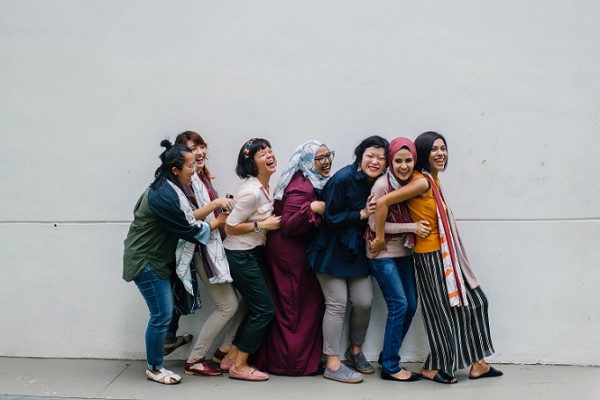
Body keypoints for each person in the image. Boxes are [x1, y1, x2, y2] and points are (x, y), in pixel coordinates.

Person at [369, 131, 503, 384]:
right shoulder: (422, 182)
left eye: (443, 148)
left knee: (473, 303)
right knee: (441, 311)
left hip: (443, 254)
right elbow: (384, 202)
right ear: (423, 154)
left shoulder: (431, 180)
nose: (440, 153)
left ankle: (478, 363)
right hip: (430, 255)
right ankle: (435, 366)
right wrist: (377, 238)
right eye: (434, 149)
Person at [123, 140, 227, 385]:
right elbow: (189, 229)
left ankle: (160, 358)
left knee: (163, 313)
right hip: (146, 261)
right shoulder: (164, 195)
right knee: (161, 314)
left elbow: (187, 217)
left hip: (156, 259)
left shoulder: (170, 188)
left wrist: (213, 209)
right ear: (175, 170)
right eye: (190, 166)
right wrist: (218, 220)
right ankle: (155, 368)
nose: (195, 170)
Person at [306, 135, 389, 384]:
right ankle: (332, 363)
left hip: (356, 251)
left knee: (364, 301)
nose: (374, 161)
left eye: (380, 158)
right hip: (330, 249)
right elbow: (330, 216)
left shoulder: (382, 182)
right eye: (370, 156)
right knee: (337, 303)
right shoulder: (343, 178)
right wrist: (361, 213)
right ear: (360, 156)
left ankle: (355, 351)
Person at [166, 130, 245, 377]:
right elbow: (188, 220)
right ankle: (196, 359)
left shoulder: (201, 177)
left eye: (201, 146)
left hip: (214, 247)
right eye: (192, 149)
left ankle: (223, 350)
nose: (199, 152)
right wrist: (217, 208)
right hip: (201, 250)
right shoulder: (184, 181)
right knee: (228, 305)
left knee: (245, 301)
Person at [254, 140, 333, 375]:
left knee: (296, 306)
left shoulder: (310, 178)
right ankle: (292, 365)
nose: (327, 161)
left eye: (328, 155)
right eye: (320, 158)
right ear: (308, 161)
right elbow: (288, 224)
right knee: (295, 309)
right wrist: (315, 208)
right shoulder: (302, 186)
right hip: (289, 253)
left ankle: (292, 360)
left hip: (292, 251)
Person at [365, 137, 430, 382]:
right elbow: (373, 224)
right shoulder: (382, 185)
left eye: (408, 160)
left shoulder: (413, 182)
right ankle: (391, 366)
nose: (403, 166)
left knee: (411, 305)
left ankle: (387, 355)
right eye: (398, 161)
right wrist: (413, 226)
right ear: (390, 162)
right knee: (399, 305)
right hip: (380, 252)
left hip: (403, 251)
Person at [220, 138, 281, 381]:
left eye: (269, 150)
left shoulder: (264, 186)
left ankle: (230, 358)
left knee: (257, 308)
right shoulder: (251, 192)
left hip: (252, 254)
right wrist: (262, 225)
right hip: (240, 255)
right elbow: (230, 226)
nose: (269, 154)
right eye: (261, 153)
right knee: (265, 310)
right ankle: (240, 366)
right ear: (251, 163)